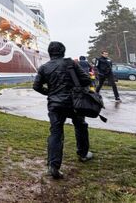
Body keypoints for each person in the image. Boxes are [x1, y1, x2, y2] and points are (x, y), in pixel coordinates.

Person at [33, 41, 94, 179]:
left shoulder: (44, 67)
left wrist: (50, 93)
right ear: (63, 52)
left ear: (49, 53)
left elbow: (36, 86)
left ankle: (53, 166)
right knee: (81, 126)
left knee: (56, 133)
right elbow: (86, 80)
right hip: (74, 103)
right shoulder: (70, 63)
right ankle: (83, 154)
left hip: (55, 104)